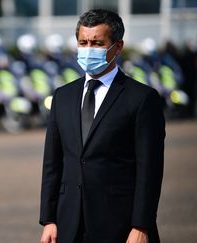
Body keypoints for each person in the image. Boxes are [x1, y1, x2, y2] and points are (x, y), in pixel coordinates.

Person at [39, 9, 165, 243]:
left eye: (97, 43)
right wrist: (49, 219)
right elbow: (52, 164)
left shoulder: (141, 98)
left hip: (120, 225)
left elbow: (150, 169)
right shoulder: (62, 97)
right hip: (69, 225)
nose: (88, 49)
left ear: (117, 47)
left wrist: (141, 225)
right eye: (83, 42)